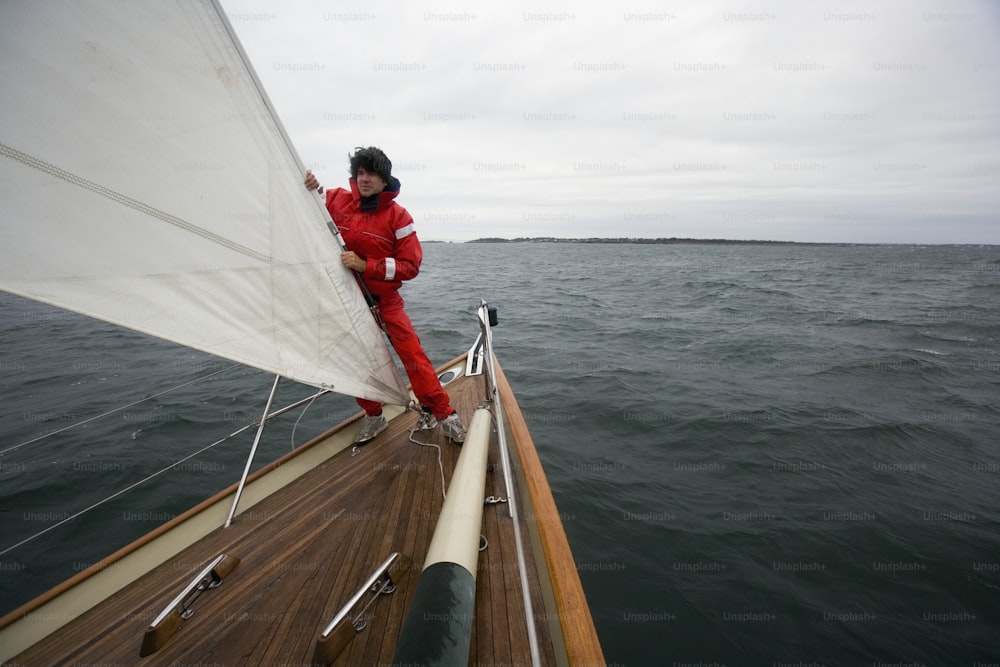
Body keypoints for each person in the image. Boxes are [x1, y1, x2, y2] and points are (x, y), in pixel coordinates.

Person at [304, 147, 466, 444]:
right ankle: (374, 416)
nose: (364, 179)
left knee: (413, 357)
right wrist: (311, 186)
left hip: (385, 303)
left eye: (372, 173)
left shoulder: (398, 217)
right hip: (349, 302)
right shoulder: (335, 199)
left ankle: (443, 413)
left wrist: (368, 266)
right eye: (360, 173)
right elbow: (307, 203)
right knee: (359, 360)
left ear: (384, 178)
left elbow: (410, 266)